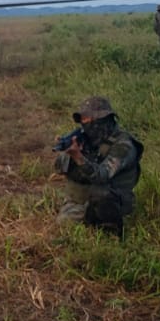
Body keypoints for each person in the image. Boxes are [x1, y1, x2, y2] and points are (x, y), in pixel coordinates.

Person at [53, 95, 142, 239]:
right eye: (83, 120)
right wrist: (69, 153)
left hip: (114, 202)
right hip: (81, 203)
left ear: (104, 120)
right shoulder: (86, 139)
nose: (85, 124)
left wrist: (79, 157)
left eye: (90, 120)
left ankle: (111, 236)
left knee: (102, 195)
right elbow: (59, 169)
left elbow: (102, 175)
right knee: (64, 226)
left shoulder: (124, 145)